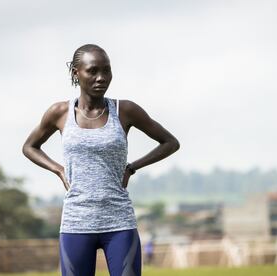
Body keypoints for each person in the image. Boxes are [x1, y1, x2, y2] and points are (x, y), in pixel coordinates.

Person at [22, 44, 180, 276]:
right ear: (77, 73)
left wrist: (133, 167)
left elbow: (170, 142)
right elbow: (29, 147)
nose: (101, 78)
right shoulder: (60, 113)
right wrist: (58, 170)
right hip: (76, 221)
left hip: (119, 221)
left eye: (106, 71)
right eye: (93, 71)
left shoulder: (124, 110)